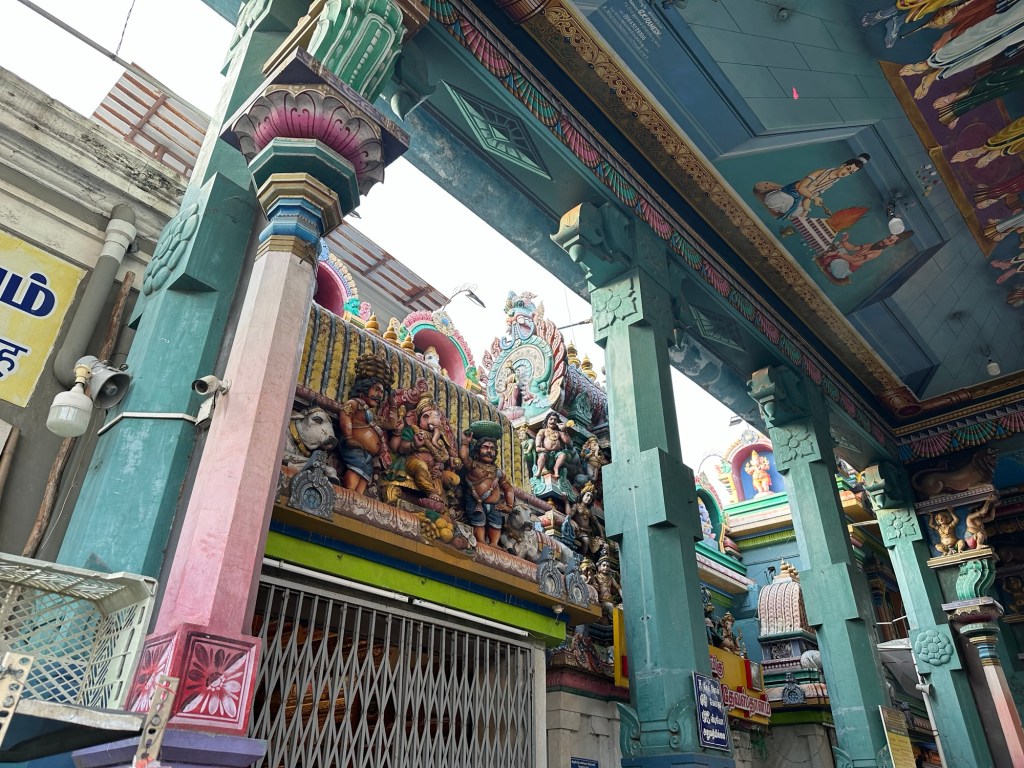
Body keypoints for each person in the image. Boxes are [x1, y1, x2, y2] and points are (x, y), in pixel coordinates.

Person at [338, 352, 395, 495]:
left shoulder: (371, 415)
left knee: (366, 473)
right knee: (357, 468)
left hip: (368, 454)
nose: (380, 395)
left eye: (382, 392)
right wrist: (349, 437)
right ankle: (349, 492)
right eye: (376, 389)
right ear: (364, 387)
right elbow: (345, 416)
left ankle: (358, 497)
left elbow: (391, 425)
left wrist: (393, 404)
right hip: (354, 448)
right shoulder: (354, 403)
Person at [754, 154, 870, 221]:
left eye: (850, 173)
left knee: (800, 215)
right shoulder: (821, 172)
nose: (846, 173)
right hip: (790, 193)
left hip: (799, 199)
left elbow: (808, 197)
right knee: (775, 202)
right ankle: (774, 194)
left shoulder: (831, 183)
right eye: (848, 169)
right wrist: (814, 198)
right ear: (843, 165)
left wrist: (806, 210)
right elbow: (801, 189)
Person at [459, 429, 515, 546]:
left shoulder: (498, 472)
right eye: (485, 447)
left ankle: (494, 543)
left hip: (495, 505)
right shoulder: (474, 466)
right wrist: (465, 442)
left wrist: (509, 506)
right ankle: (481, 541)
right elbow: (464, 457)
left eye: (492, 448)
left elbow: (508, 488)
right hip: (476, 502)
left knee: (496, 522)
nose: (489, 451)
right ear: (477, 450)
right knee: (478, 520)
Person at [815, 230, 913, 283]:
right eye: (888, 237)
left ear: (891, 245)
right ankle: (830, 262)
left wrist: (837, 253)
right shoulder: (872, 245)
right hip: (845, 261)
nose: (885, 240)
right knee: (839, 244)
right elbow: (853, 248)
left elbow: (853, 259)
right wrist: (845, 240)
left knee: (836, 252)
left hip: (842, 270)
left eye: (890, 241)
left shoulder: (875, 253)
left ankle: (829, 265)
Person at [534, 412, 573, 478]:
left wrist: (564, 431)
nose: (553, 421)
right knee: (542, 456)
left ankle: (556, 468)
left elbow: (567, 441)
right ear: (547, 421)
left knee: (562, 455)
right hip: (545, 451)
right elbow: (538, 438)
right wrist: (538, 447)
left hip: (556, 453)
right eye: (551, 419)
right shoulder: (543, 431)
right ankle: (539, 470)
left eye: (555, 420)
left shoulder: (559, 432)